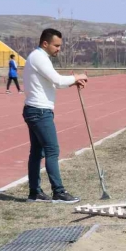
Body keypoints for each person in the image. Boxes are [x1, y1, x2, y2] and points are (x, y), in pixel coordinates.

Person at [23, 28, 88, 204]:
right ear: (45, 43)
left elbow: (56, 83)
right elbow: (58, 80)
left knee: (37, 152)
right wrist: (77, 76)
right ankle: (58, 191)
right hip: (39, 112)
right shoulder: (39, 57)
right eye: (56, 45)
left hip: (37, 110)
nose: (59, 49)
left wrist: (73, 82)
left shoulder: (39, 58)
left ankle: (34, 192)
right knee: (52, 150)